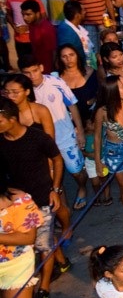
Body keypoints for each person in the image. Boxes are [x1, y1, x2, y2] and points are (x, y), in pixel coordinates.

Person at [0, 97, 64, 298]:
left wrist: (55, 188)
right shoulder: (0, 142)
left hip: (41, 197)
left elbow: (57, 159)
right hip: (14, 204)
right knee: (39, 244)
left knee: (43, 243)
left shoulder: (37, 137)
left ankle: (44, 287)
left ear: (11, 118)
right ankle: (62, 261)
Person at [19, 55, 88, 210]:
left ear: (41, 68)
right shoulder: (22, 90)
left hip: (65, 136)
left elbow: (72, 106)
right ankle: (63, 209)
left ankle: (82, 187)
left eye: (35, 71)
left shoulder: (56, 82)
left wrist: (80, 132)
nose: (32, 76)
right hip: (40, 143)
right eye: (26, 73)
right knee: (51, 177)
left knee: (76, 171)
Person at [92, 75, 123, 238]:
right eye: (122, 87)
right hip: (115, 152)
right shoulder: (103, 111)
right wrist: (98, 162)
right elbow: (98, 136)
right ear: (112, 91)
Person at [19, 0, 57, 73]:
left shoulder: (46, 29)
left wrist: (53, 71)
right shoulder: (32, 25)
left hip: (47, 69)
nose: (25, 18)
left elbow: (53, 51)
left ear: (37, 14)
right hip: (38, 66)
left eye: (28, 14)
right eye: (23, 14)